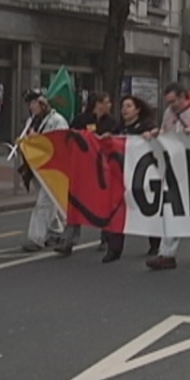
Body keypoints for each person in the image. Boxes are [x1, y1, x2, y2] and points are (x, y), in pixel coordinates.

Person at [146, 82, 190, 270]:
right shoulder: (169, 113)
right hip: (175, 166)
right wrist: (156, 134)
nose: (171, 107)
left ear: (184, 96)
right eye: (169, 103)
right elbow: (165, 132)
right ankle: (166, 253)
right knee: (172, 207)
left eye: (174, 102)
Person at [55, 91, 117, 256]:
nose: (110, 105)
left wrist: (108, 138)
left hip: (103, 171)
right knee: (75, 204)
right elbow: (68, 139)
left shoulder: (111, 123)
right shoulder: (81, 120)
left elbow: (118, 142)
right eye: (107, 102)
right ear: (98, 104)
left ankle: (107, 238)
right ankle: (68, 241)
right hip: (82, 171)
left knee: (103, 204)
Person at [102, 95, 158, 262]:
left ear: (137, 109)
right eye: (123, 106)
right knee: (118, 211)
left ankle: (155, 242)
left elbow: (157, 140)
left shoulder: (147, 126)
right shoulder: (118, 128)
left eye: (129, 106)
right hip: (120, 176)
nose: (124, 109)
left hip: (141, 177)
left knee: (145, 209)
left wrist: (152, 135)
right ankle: (114, 249)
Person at [20, 92, 70, 252]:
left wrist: (38, 140)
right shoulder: (32, 121)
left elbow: (60, 144)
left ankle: (36, 238)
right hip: (38, 168)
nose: (31, 107)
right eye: (30, 104)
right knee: (49, 202)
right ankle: (56, 232)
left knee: (44, 203)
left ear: (43, 104)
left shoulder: (57, 121)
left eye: (34, 103)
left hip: (53, 169)